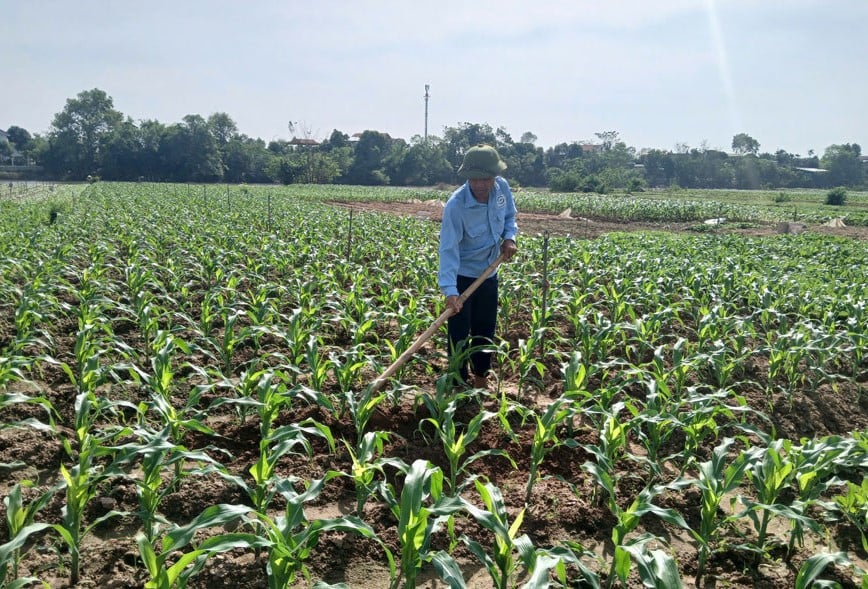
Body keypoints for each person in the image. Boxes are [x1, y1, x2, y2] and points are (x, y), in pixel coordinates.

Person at [438, 144, 518, 389]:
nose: (481, 185)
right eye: (475, 179)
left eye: (486, 179)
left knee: (485, 329)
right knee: (459, 334)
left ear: (495, 176)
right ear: (467, 178)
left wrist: (509, 238)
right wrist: (451, 292)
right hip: (463, 277)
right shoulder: (456, 206)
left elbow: (509, 217)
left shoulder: (502, 188)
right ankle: (458, 382)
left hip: (489, 274)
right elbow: (448, 250)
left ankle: (481, 378)